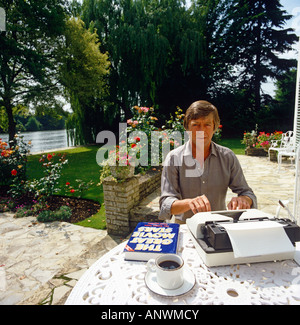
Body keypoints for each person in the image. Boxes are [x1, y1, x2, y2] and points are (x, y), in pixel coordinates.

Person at [159, 100, 257, 223]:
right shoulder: (173, 158)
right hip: (184, 226)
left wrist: (244, 200)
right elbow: (166, 204)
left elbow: (247, 193)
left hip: (219, 225)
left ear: (215, 127)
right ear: (187, 127)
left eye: (207, 124)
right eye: (196, 124)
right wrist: (190, 203)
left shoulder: (228, 157)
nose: (202, 130)